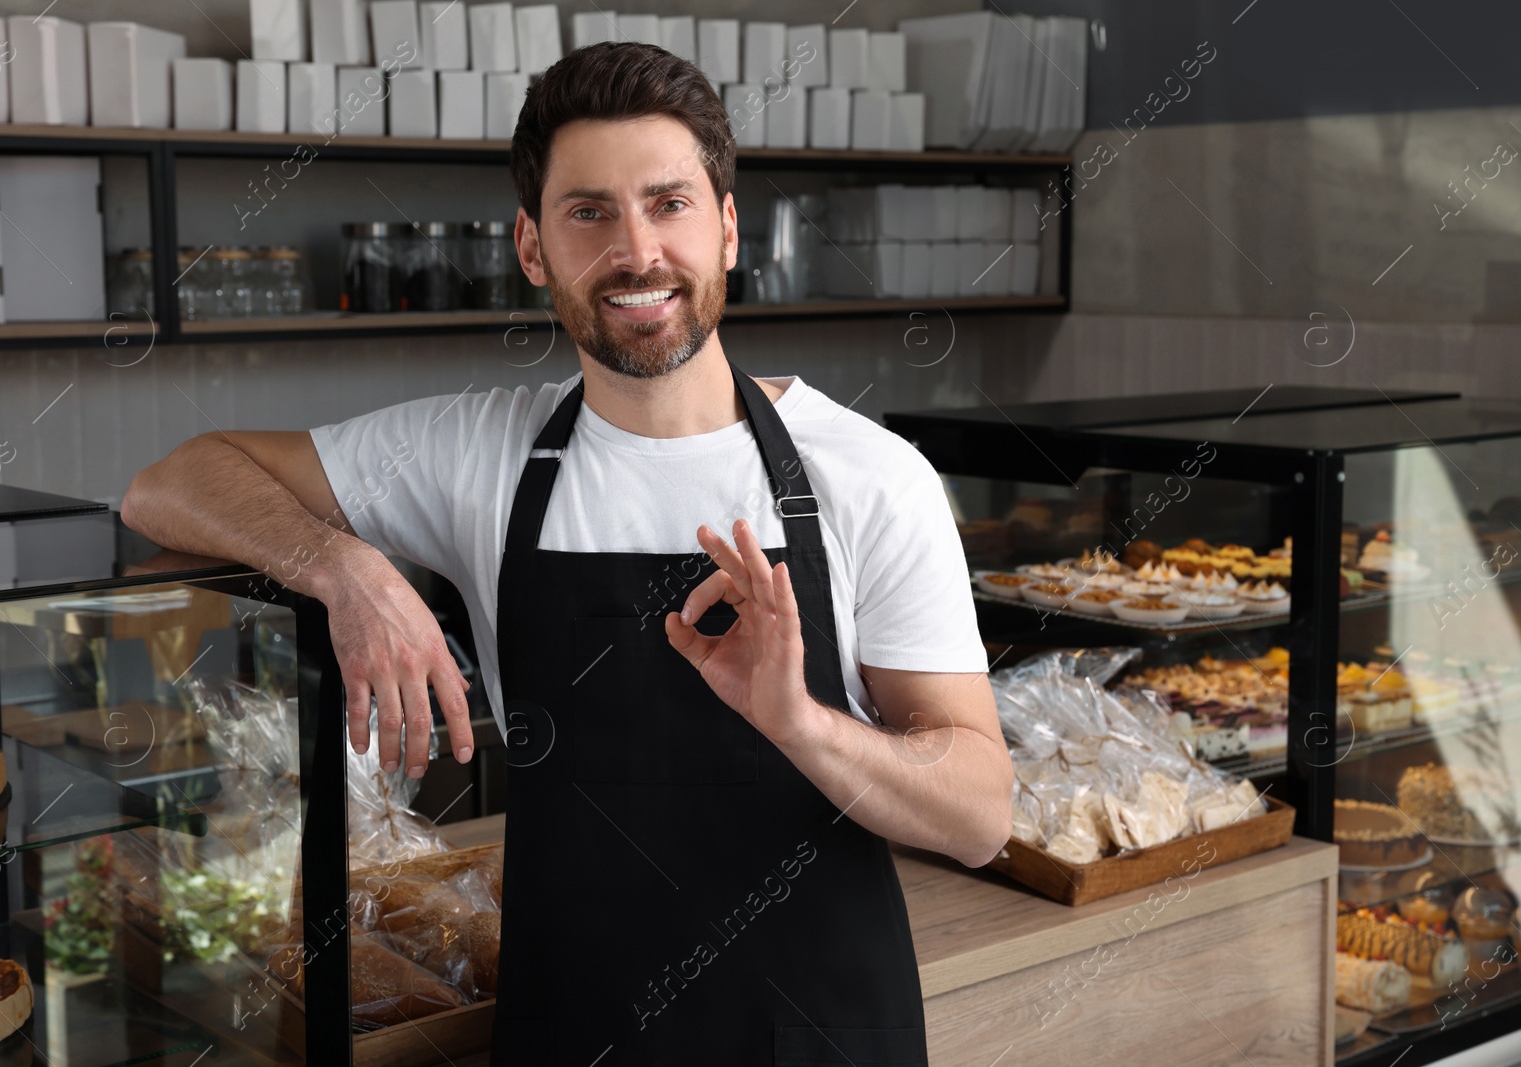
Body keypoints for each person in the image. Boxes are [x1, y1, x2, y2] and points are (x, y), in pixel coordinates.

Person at [122, 41, 1012, 1066]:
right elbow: (172, 481)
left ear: (727, 229)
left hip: (817, 1034)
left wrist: (802, 724)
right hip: (573, 1034)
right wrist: (346, 568)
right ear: (533, 248)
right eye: (589, 212)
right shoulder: (475, 453)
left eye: (669, 203)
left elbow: (980, 814)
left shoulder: (869, 474)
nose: (637, 251)